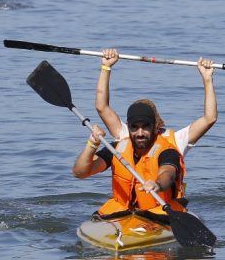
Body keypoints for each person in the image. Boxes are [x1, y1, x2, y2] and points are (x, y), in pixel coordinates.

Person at [72, 48, 217, 221]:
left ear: (156, 126)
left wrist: (207, 79)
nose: (140, 133)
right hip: (122, 211)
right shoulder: (122, 139)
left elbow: (209, 119)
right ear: (130, 126)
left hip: (159, 211)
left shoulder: (174, 142)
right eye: (135, 126)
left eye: (146, 126)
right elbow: (101, 107)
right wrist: (106, 67)